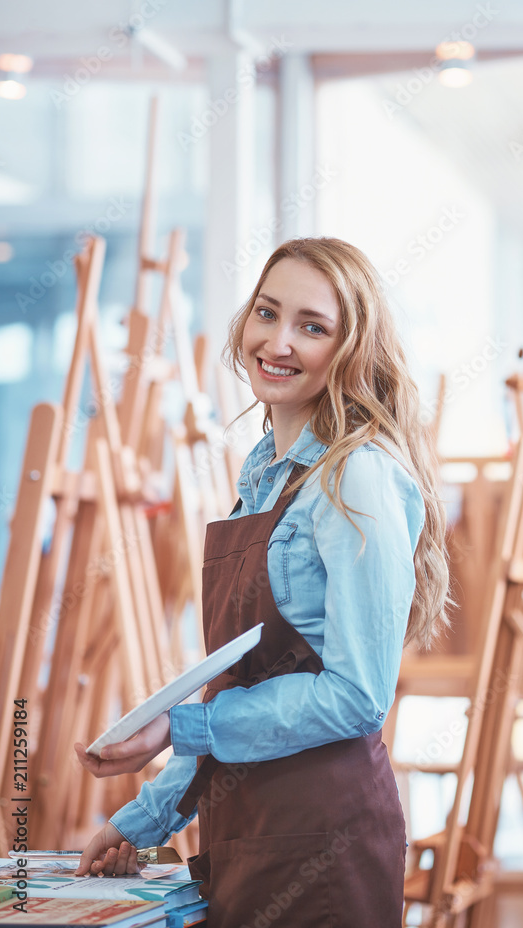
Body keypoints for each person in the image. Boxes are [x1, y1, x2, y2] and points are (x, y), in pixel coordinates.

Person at [74, 236, 450, 926]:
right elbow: (239, 693)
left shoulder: (355, 476)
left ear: (350, 349)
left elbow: (358, 696)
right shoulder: (261, 478)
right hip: (248, 830)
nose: (277, 342)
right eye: (267, 313)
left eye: (312, 327)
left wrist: (176, 727)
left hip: (322, 839)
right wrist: (144, 818)